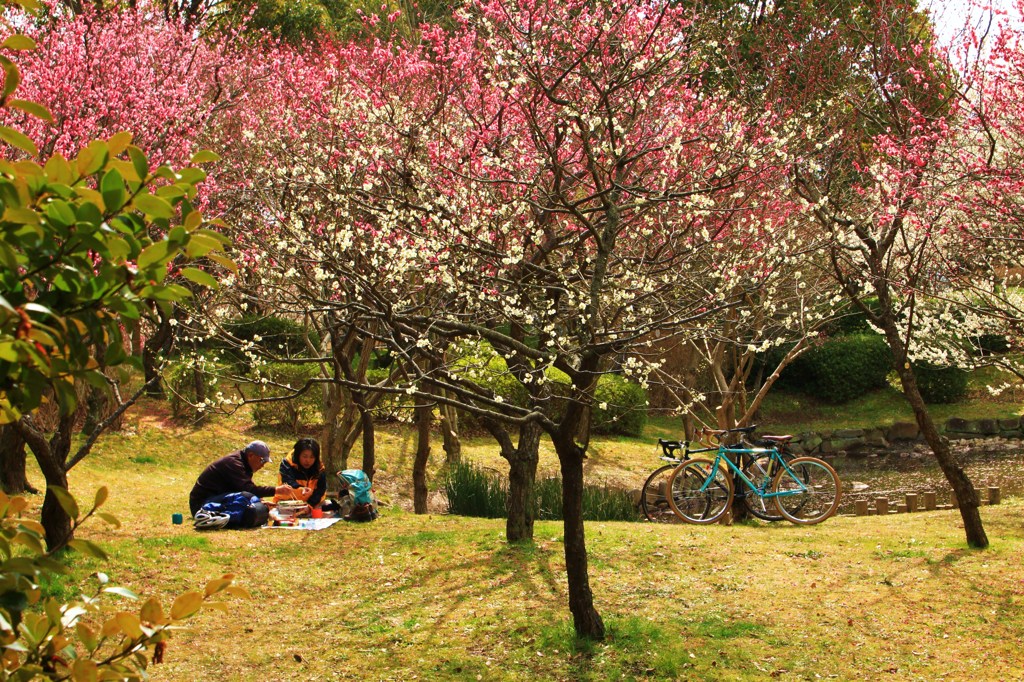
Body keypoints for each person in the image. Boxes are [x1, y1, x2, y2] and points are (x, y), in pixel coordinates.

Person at [189, 440, 295, 516]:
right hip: (201, 505)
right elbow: (247, 490)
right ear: (251, 455)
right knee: (245, 497)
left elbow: (243, 487)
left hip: (215, 498)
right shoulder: (234, 463)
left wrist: (260, 501)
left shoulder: (243, 463)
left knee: (250, 501)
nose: (263, 465)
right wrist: (276, 490)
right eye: (262, 460)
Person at [278, 437, 327, 507]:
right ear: (298, 455)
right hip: (287, 502)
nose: (308, 460)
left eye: (312, 457)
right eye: (305, 456)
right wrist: (302, 489)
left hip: (311, 503)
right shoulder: (287, 464)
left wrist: (310, 505)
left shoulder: (319, 468)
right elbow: (288, 482)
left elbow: (321, 490)